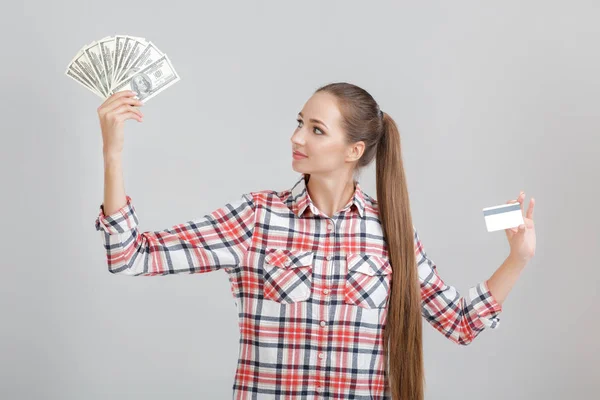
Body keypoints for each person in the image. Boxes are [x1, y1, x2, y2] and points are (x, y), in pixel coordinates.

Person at [95, 82, 536, 399]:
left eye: (316, 130)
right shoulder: (256, 218)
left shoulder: (391, 233)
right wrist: (112, 154)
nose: (296, 137)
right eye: (300, 123)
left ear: (354, 151)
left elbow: (458, 323)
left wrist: (518, 258)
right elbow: (131, 255)